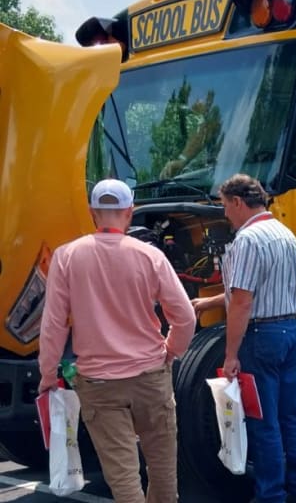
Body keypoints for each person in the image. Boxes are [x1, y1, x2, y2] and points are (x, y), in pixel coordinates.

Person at [38, 179, 196, 502]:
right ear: (130, 212)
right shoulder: (150, 257)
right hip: (151, 376)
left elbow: (53, 324)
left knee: (124, 481)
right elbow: (185, 317)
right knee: (164, 473)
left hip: (99, 384)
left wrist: (47, 374)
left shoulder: (66, 257)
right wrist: (171, 350)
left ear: (92, 212)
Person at [192, 174, 296, 503]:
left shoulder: (247, 240)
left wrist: (231, 354)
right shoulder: (285, 233)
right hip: (291, 330)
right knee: (293, 418)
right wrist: (211, 301)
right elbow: (253, 289)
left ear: (238, 201)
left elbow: (244, 301)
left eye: (225, 206)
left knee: (265, 424)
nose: (225, 215)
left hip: (261, 337)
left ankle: (271, 496)